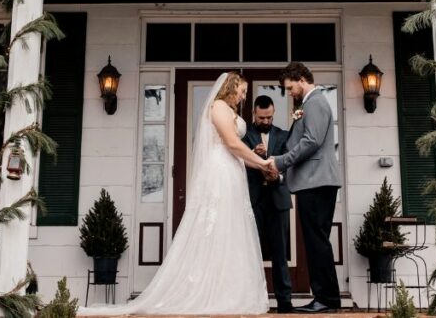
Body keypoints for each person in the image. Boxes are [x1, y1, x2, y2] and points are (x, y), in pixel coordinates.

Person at [79, 72, 271, 315]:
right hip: (221, 171)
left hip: (233, 170)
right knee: (217, 226)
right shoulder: (219, 106)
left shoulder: (228, 109)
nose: (244, 96)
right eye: (242, 90)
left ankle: (228, 289)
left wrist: (259, 163)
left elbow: (236, 149)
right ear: (231, 88)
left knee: (230, 228)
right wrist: (262, 163)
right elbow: (232, 144)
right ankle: (210, 292)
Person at [271, 62, 342, 314]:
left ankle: (326, 299)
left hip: (317, 182)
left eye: (290, 87)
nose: (289, 92)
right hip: (312, 182)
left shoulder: (316, 102)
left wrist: (280, 162)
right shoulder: (310, 104)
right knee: (316, 241)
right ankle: (327, 297)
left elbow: (311, 141)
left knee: (316, 242)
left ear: (301, 79)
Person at [243, 95, 294, 313]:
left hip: (278, 200)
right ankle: (252, 300)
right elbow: (236, 163)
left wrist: (275, 169)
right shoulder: (244, 136)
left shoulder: (283, 135)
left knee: (280, 253)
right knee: (250, 252)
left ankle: (285, 303)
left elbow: (289, 163)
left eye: (269, 117)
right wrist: (253, 158)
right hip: (254, 201)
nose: (265, 121)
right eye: (262, 117)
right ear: (254, 113)